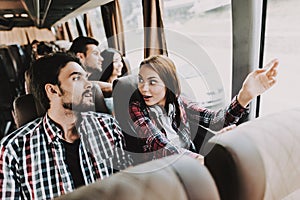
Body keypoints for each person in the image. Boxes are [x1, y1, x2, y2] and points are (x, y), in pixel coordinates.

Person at [0, 53, 132, 199]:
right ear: (52, 90)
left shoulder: (109, 127)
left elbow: (129, 185)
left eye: (86, 78)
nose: (89, 85)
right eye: (76, 78)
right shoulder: (13, 151)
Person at [129, 55, 279, 163]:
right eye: (141, 80)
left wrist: (245, 96)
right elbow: (159, 144)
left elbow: (216, 120)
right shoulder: (136, 107)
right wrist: (201, 160)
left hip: (190, 164)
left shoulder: (179, 103)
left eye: (152, 82)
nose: (143, 88)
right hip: (161, 171)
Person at [100, 48, 127, 114]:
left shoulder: (125, 83)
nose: (120, 64)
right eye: (115, 61)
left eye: (121, 61)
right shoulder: (100, 88)